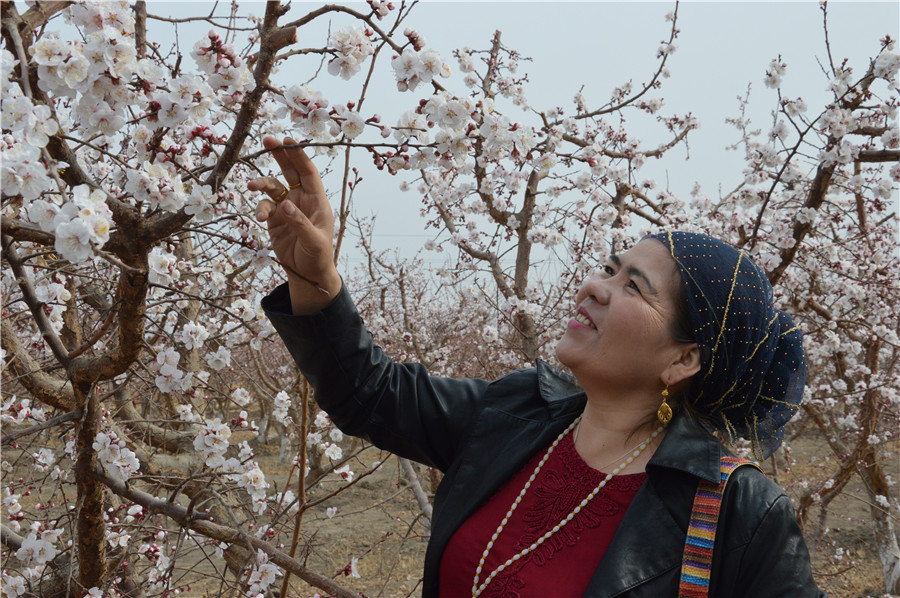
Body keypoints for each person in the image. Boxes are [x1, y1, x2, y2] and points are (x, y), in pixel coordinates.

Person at [251, 136, 825, 597]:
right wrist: (315, 277)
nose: (597, 287)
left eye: (635, 286)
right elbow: (371, 394)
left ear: (683, 358)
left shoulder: (737, 513)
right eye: (608, 267)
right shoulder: (517, 412)